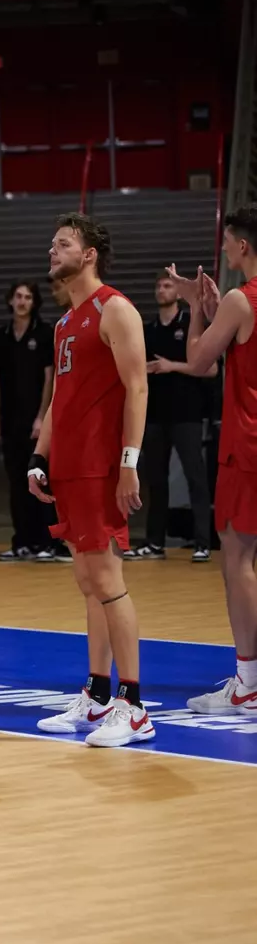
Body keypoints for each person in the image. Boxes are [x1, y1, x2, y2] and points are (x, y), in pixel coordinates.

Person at [28, 213, 153, 747]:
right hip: (69, 469)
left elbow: (138, 387)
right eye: (53, 243)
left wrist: (129, 462)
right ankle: (99, 693)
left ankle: (134, 704)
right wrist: (39, 457)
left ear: (90, 254)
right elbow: (59, 402)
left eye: (63, 244)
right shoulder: (63, 324)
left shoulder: (115, 309)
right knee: (89, 584)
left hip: (104, 466)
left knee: (107, 580)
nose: (53, 250)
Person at [179, 206, 257, 715]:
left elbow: (198, 362)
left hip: (247, 445)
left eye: (228, 243)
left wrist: (197, 308)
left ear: (244, 246)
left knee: (238, 560)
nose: (225, 251)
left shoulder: (239, 298)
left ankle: (248, 683)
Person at [128, 269, 213, 561]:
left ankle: (203, 542)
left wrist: (172, 366)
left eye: (168, 286)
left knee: (195, 478)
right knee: (156, 480)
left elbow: (211, 368)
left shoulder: (190, 324)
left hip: (187, 414)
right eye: (159, 286)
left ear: (178, 293)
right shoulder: (148, 330)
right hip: (155, 416)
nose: (162, 290)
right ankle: (155, 543)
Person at [0, 278, 59, 561]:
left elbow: (49, 377)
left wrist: (42, 417)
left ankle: (49, 542)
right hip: (10, 418)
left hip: (36, 421)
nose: (22, 302)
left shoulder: (44, 333)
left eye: (27, 297)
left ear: (34, 302)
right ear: (10, 300)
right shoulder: (1, 335)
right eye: (18, 296)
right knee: (16, 481)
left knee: (40, 480)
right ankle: (22, 541)